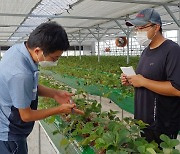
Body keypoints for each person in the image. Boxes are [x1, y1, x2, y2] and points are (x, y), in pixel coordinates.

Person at [0, 22, 83, 154]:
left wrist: (55, 94)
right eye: (54, 58)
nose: (55, 62)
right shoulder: (21, 74)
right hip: (10, 135)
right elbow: (26, 116)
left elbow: (28, 87)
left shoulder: (18, 50)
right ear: (38, 50)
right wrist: (59, 109)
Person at [121, 8, 180, 145]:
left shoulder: (172, 50)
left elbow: (177, 88)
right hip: (143, 121)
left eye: (142, 28)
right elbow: (145, 79)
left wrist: (143, 81)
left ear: (156, 27)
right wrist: (131, 80)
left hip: (161, 124)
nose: (138, 32)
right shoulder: (146, 52)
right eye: (136, 28)